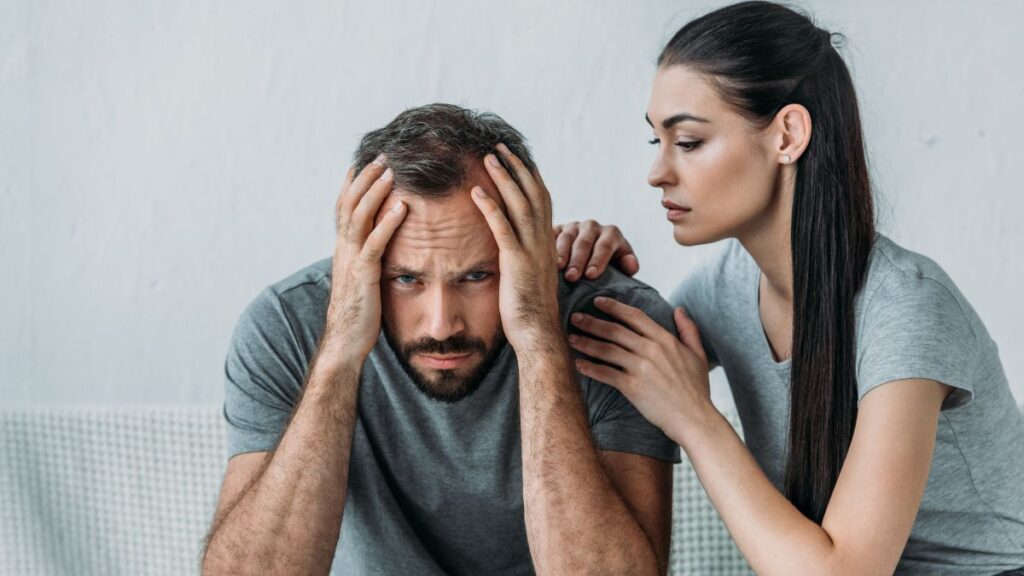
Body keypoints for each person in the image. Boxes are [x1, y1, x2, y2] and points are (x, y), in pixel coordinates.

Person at [555, 2, 1024, 574]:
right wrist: (585, 265)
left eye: (691, 141)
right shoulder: (726, 287)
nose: (658, 173)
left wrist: (695, 419)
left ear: (787, 136)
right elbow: (614, 377)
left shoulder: (907, 308)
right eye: (658, 141)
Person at [200, 103, 681, 575]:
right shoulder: (285, 325)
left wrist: (539, 337)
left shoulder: (614, 324)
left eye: (476, 276)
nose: (440, 325)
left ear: (528, 249)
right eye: (405, 279)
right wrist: (340, 350)